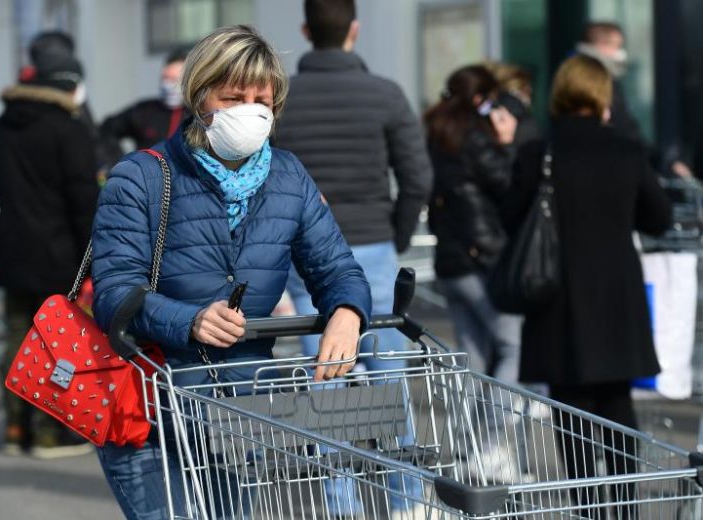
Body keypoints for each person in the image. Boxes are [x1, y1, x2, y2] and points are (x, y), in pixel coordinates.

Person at [90, 25, 371, 520]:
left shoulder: (288, 176)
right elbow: (114, 292)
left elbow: (336, 267)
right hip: (149, 406)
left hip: (237, 414)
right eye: (233, 96)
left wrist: (348, 312)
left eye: (262, 99)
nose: (250, 110)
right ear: (200, 98)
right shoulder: (141, 176)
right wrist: (190, 320)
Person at [273, 1, 432, 516]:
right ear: (354, 31)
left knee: (328, 384)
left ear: (305, 31)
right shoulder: (384, 94)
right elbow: (417, 178)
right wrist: (396, 233)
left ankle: (342, 504)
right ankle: (407, 500)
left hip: (303, 256)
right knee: (389, 380)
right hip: (372, 246)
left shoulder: (283, 101)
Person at [502, 55, 671, 517]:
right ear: (603, 97)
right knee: (618, 407)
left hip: (558, 303)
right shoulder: (626, 150)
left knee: (571, 415)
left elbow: (511, 217)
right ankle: (624, 507)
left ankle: (588, 509)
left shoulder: (539, 154)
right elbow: (659, 216)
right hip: (617, 304)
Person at [0, 53, 100, 458]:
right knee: (56, 344)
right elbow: (83, 199)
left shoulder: (3, 126)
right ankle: (50, 433)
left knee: (17, 337)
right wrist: (93, 256)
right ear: (70, 87)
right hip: (57, 254)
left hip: (12, 249)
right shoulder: (68, 130)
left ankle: (15, 428)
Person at [424, 65, 527, 481]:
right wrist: (508, 143)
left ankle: (466, 446)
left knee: (473, 357)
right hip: (481, 258)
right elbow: (509, 184)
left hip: (450, 262)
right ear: (481, 98)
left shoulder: (435, 132)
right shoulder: (476, 136)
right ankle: (490, 444)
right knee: (513, 346)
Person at [577, 21, 692, 178]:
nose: (620, 53)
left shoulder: (578, 74)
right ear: (601, 45)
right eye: (616, 46)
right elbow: (623, 129)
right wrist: (660, 160)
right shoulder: (595, 80)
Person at [100, 48, 187, 167]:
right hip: (146, 179)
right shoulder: (144, 110)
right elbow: (107, 129)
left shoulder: (197, 115)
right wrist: (119, 161)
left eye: (175, 80)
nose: (168, 85)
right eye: (165, 78)